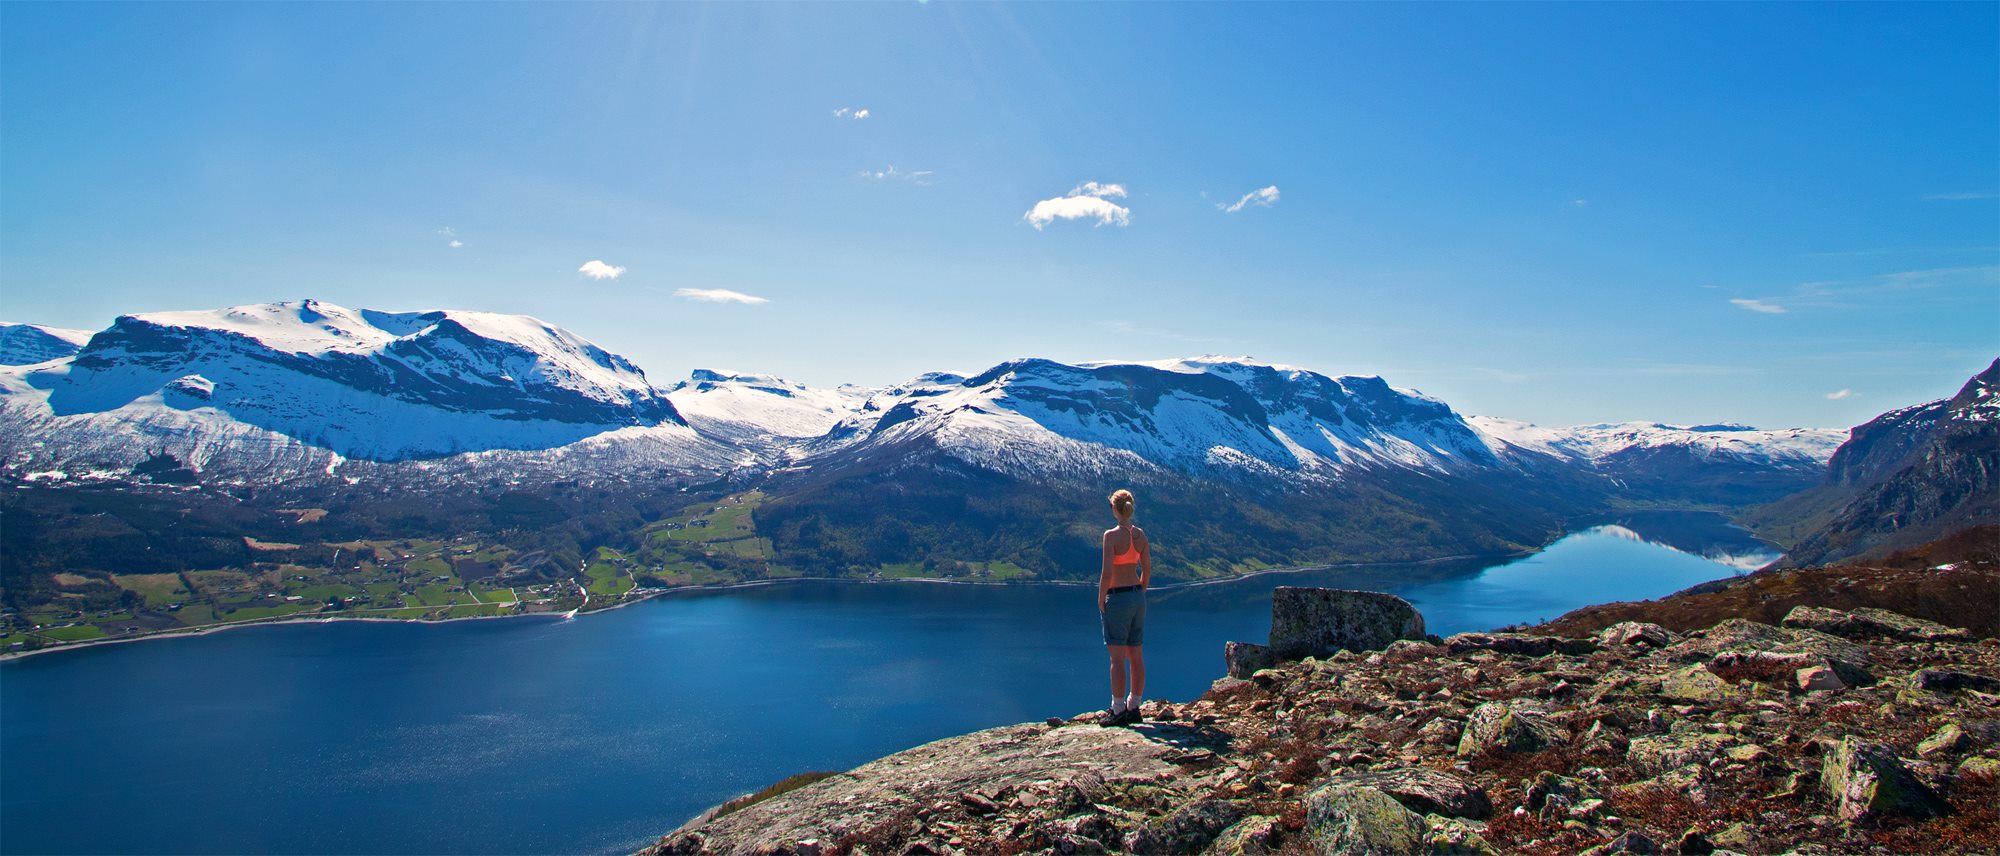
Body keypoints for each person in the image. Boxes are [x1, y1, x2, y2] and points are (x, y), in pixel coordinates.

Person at [1099, 488, 1150, 725]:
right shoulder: (1140, 535)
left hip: (1118, 597)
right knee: (1136, 655)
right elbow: (1147, 570)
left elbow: (1107, 572)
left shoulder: (1111, 536)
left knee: (1117, 658)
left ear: (1114, 509)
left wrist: (1102, 598)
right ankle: (1134, 706)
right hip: (1138, 597)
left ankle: (1117, 709)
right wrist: (1140, 591)